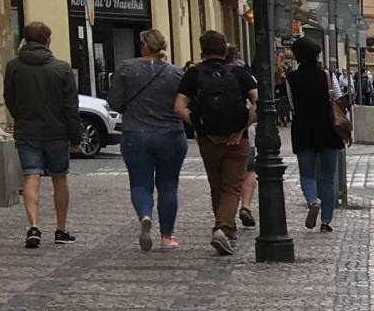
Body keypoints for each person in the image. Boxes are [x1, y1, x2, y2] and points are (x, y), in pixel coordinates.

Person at [176, 30, 260, 254]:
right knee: (232, 187)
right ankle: (222, 229)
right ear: (225, 50)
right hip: (237, 139)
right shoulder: (239, 73)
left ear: (202, 51)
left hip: (208, 140)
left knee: (217, 186)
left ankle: (227, 230)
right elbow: (258, 103)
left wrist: (200, 126)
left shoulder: (193, 74)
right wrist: (242, 127)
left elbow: (179, 107)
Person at [1, 21, 82, 249]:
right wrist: (76, 137)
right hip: (56, 132)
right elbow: (70, 107)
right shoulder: (62, 69)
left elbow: (10, 98)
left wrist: (21, 118)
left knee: (31, 176)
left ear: (24, 40)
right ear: (48, 40)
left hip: (27, 130)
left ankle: (33, 226)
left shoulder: (14, 67)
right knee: (59, 178)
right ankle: (61, 229)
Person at [107, 29, 188, 250]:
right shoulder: (176, 73)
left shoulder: (126, 68)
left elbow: (114, 102)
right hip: (171, 134)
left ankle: (145, 215)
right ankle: (167, 237)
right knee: (169, 186)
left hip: (136, 133)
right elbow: (184, 103)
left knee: (140, 183)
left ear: (143, 45)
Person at [285, 38, 348, 231]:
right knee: (328, 177)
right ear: (317, 55)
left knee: (307, 175)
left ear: (296, 57)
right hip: (328, 129)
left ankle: (313, 201)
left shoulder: (291, 79)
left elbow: (292, 104)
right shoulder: (327, 76)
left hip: (303, 129)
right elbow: (338, 99)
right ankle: (326, 221)